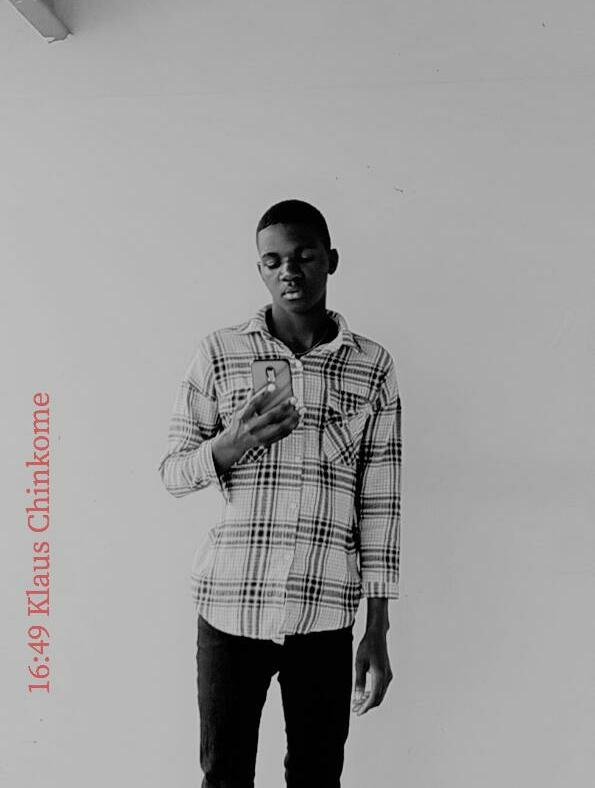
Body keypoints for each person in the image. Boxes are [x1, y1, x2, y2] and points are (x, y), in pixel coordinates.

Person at [158, 199, 403, 788]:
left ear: (330, 260)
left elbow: (381, 502)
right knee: (225, 776)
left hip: (324, 613)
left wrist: (378, 627)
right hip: (231, 606)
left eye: (303, 256)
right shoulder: (219, 353)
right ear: (260, 269)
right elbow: (172, 473)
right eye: (273, 261)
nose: (289, 271)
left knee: (317, 778)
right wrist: (232, 443)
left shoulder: (371, 366)